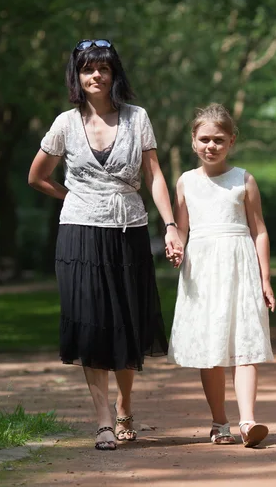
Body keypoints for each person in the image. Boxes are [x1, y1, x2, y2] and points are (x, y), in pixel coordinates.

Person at [28, 39, 183, 451]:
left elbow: (154, 175)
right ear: (77, 76)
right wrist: (72, 199)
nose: (96, 76)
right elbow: (37, 176)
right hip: (79, 232)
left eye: (104, 69)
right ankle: (103, 421)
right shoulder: (64, 123)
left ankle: (126, 403)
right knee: (91, 321)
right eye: (87, 69)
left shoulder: (137, 118)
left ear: (115, 75)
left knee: (126, 321)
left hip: (128, 228)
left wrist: (170, 225)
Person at [167, 103, 275, 448]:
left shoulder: (243, 180)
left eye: (218, 139)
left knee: (245, 344)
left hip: (239, 267)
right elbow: (181, 229)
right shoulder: (185, 182)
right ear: (193, 141)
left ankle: (248, 421)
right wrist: (176, 247)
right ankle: (220, 422)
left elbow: (259, 230)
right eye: (204, 139)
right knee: (211, 348)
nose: (211, 146)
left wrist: (266, 278)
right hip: (203, 271)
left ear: (231, 141)